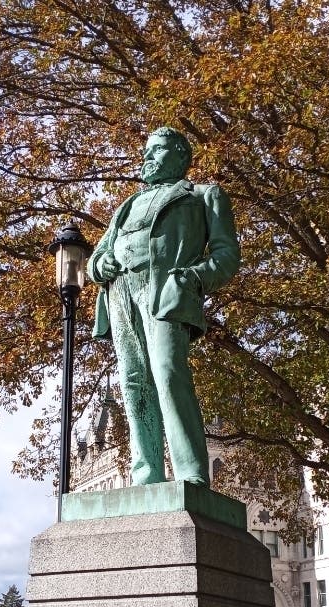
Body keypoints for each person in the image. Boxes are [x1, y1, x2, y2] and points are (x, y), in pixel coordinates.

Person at [87, 127, 240, 486]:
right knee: (133, 381)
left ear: (180, 155)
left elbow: (227, 256)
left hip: (165, 292)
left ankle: (190, 473)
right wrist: (100, 265)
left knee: (169, 372)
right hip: (121, 292)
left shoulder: (204, 195)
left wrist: (192, 278)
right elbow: (99, 254)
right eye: (146, 151)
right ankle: (147, 475)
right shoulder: (127, 204)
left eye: (156, 150)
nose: (147, 157)